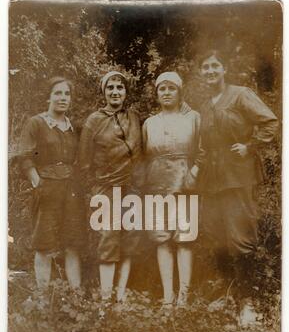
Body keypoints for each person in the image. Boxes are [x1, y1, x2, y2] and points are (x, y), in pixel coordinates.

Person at [197, 50, 278, 320]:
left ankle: (248, 303)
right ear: (201, 73)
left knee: (240, 238)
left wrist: (250, 146)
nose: (210, 71)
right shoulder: (206, 105)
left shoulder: (240, 94)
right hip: (213, 181)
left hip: (238, 178)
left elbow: (271, 122)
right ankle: (228, 295)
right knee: (216, 236)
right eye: (205, 67)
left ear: (224, 69)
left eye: (214, 66)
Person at [79, 70, 142, 303]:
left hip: (132, 188)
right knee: (108, 239)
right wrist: (95, 188)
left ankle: (121, 295)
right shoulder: (93, 120)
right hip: (105, 188)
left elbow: (140, 153)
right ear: (104, 92)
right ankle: (106, 299)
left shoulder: (134, 117)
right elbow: (84, 161)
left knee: (130, 238)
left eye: (120, 88)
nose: (115, 92)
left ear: (125, 92)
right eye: (110, 88)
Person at [142, 71, 204, 306]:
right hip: (157, 184)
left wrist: (193, 173)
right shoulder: (150, 123)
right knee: (162, 239)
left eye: (171, 88)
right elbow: (144, 157)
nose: (166, 93)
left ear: (179, 92)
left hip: (185, 182)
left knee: (184, 238)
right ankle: (168, 297)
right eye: (162, 89)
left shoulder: (193, 118)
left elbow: (203, 149)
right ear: (157, 94)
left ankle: (183, 298)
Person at [18, 76, 85, 289]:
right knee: (44, 245)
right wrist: (37, 181)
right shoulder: (36, 123)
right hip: (47, 189)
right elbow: (24, 156)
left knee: (72, 244)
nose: (62, 98)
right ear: (49, 96)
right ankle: (41, 300)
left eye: (66, 94)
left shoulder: (72, 126)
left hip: (70, 191)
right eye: (58, 93)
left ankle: (76, 296)